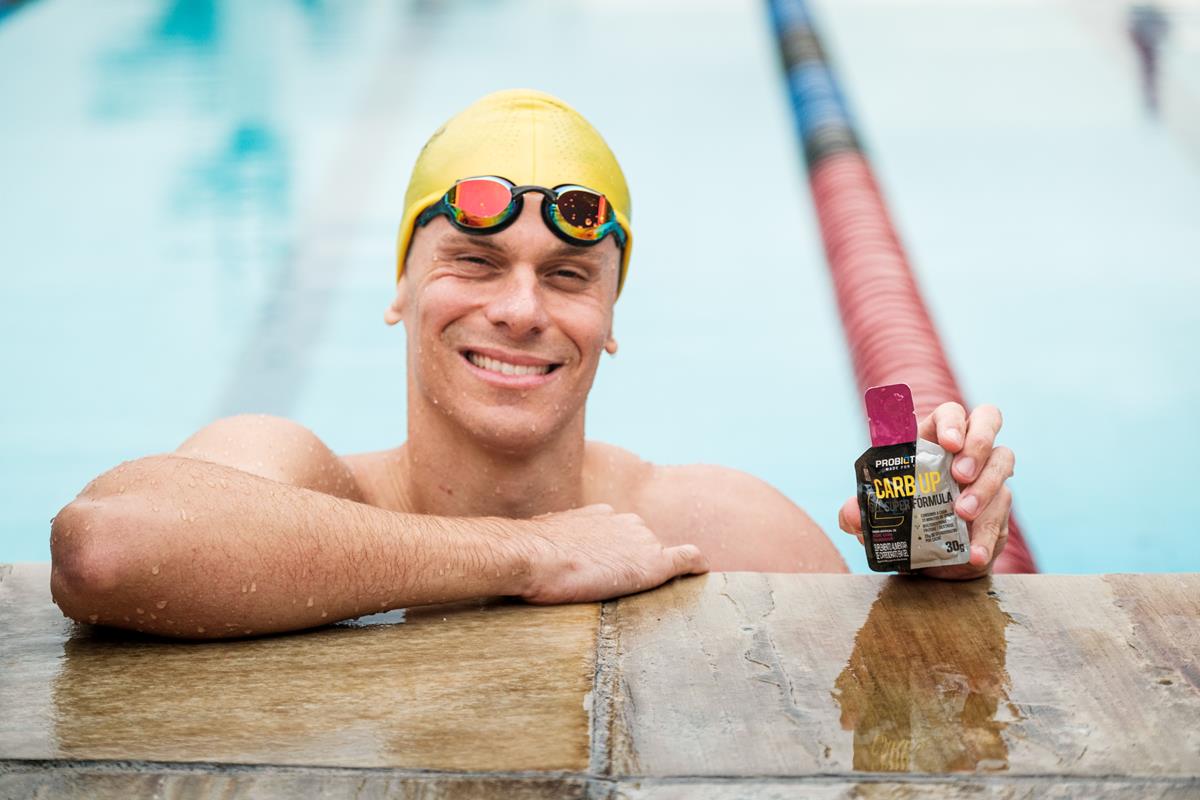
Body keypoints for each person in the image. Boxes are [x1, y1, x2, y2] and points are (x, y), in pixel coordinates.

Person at [49, 89, 1015, 639]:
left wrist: (941, 582)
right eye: (473, 262)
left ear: (609, 317)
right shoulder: (305, 478)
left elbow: (890, 737)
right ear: (398, 292)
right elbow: (108, 549)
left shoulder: (704, 523)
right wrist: (529, 553)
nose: (518, 310)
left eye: (566, 275)